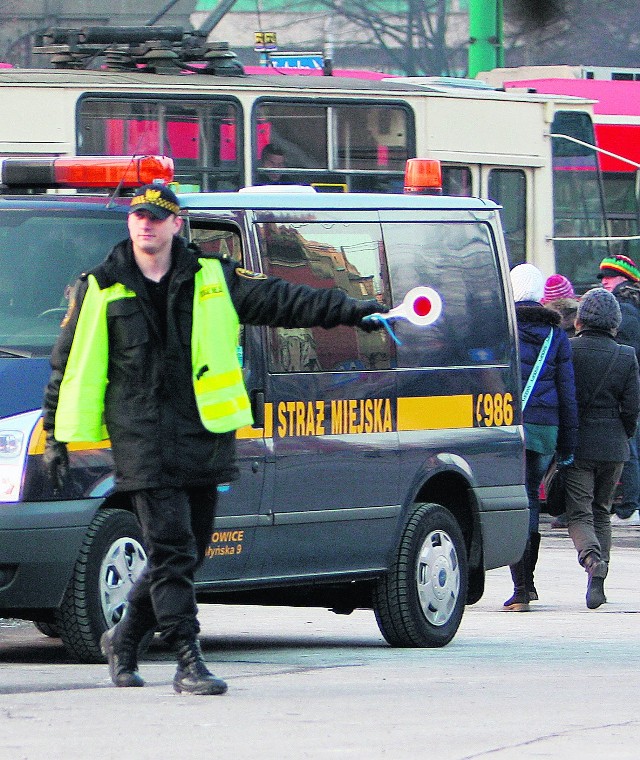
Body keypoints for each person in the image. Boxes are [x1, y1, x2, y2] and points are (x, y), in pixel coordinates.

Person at [41, 183, 387, 695]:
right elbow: (68, 363)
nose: (146, 225)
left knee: (187, 551)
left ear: (176, 224)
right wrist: (55, 435)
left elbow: (281, 299)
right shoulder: (100, 287)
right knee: (173, 548)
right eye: (138, 216)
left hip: (204, 432)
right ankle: (187, 659)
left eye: (156, 217)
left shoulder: (214, 277)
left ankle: (125, 636)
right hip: (141, 438)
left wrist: (353, 309)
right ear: (129, 223)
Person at [504, 263, 578, 612]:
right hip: (546, 426)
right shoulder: (557, 333)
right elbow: (567, 391)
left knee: (513, 501)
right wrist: (567, 445)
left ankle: (520, 588)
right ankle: (527, 585)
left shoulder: (502, 328)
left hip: (509, 425)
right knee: (532, 498)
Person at [564, 287, 640, 608]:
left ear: (580, 318)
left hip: (579, 445)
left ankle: (592, 559)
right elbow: (633, 407)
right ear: (615, 322)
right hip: (614, 447)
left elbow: (564, 398)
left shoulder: (568, 350)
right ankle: (599, 583)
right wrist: (624, 434)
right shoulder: (626, 355)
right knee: (602, 512)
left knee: (579, 513)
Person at [598, 254, 640, 525]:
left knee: (630, 447)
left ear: (625, 279)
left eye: (610, 276)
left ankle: (630, 508)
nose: (604, 282)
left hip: (629, 389)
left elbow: (623, 356)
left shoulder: (624, 312)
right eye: (602, 277)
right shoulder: (630, 307)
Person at [541, 273, 580, 528]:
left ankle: (558, 506)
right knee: (574, 460)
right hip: (577, 405)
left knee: (555, 461)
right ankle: (570, 509)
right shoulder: (579, 325)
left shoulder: (547, 329)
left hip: (547, 407)